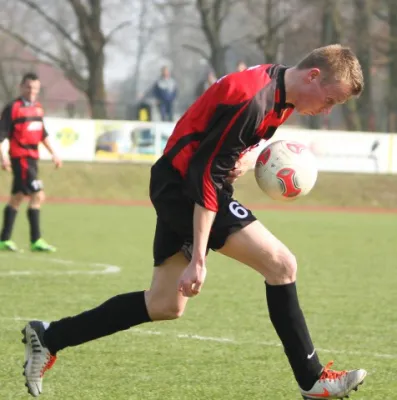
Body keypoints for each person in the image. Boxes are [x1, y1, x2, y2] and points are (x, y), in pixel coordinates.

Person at [21, 44, 366, 399]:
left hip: (179, 180)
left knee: (164, 304)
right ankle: (312, 380)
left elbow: (223, 145)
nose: (327, 110)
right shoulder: (255, 99)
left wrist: (246, 161)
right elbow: (205, 176)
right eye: (330, 100)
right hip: (186, 189)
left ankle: (50, 336)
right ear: (313, 76)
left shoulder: (281, 90)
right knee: (281, 264)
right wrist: (198, 259)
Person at [0, 72, 62, 253]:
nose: (31, 90)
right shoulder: (13, 107)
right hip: (21, 158)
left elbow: (42, 134)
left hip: (33, 159)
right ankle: (36, 240)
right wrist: (3, 156)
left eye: (35, 87)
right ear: (21, 87)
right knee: (38, 195)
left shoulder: (38, 108)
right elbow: (2, 134)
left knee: (17, 197)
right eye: (28, 87)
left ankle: (4, 239)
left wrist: (54, 154)